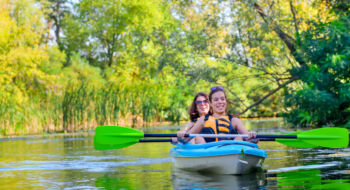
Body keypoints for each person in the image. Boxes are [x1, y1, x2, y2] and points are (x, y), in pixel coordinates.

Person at [178, 86, 257, 144]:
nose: (220, 102)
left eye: (222, 99)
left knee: (239, 137)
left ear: (226, 101)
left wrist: (252, 136)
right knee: (198, 138)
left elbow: (252, 141)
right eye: (216, 100)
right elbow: (186, 139)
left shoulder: (235, 121)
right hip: (210, 154)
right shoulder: (203, 120)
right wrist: (180, 136)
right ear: (210, 104)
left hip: (231, 153)